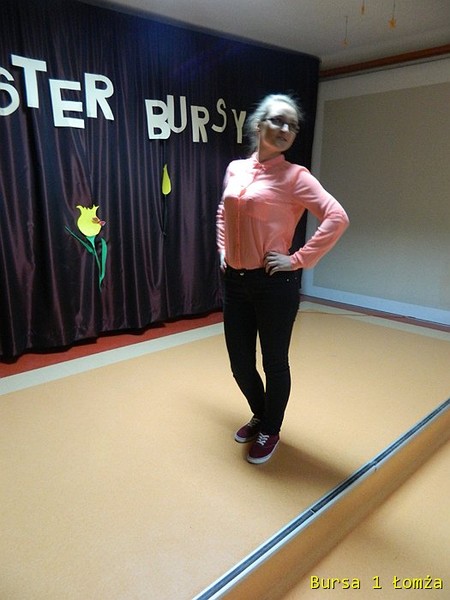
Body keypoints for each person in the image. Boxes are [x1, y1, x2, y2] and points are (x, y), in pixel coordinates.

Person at [216, 93, 349, 464]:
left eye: (292, 125)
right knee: (241, 364)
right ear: (259, 124)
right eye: (277, 120)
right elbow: (223, 212)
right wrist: (223, 249)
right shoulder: (235, 169)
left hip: (274, 283)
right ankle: (262, 414)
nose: (285, 129)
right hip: (235, 283)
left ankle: (270, 428)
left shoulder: (296, 177)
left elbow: (336, 217)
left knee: (274, 363)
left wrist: (298, 260)